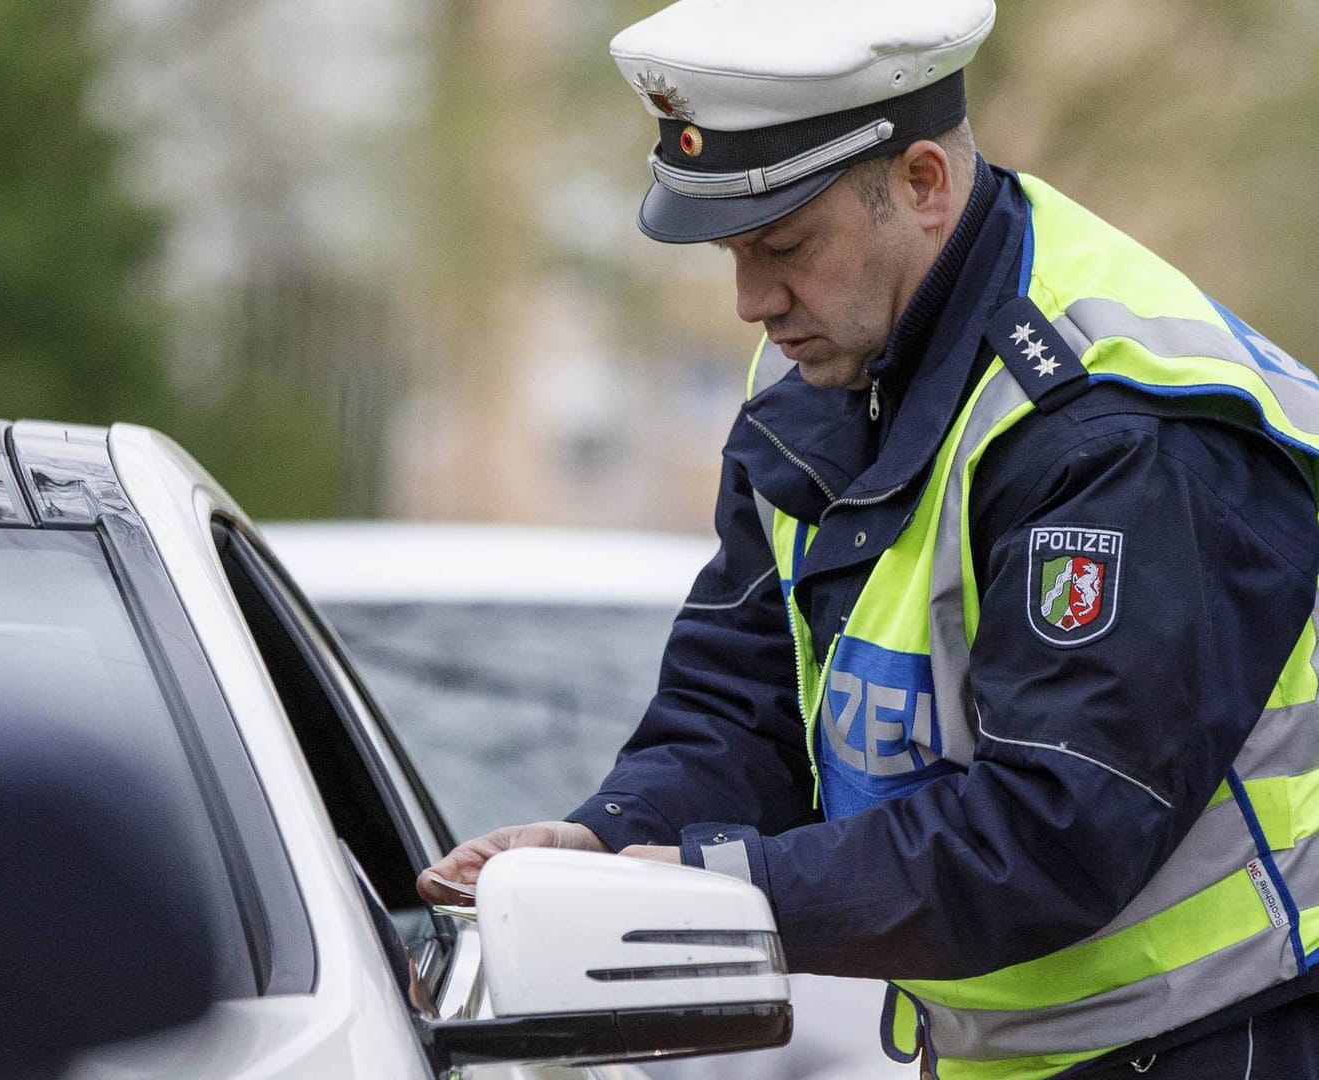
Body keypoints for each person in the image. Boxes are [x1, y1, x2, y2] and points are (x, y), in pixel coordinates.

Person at [416, 1, 1319, 1076]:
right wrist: (607, 842)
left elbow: (1055, 832)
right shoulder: (829, 359)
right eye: (730, 253)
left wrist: (716, 887)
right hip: (1016, 1049)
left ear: (925, 185)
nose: (753, 301)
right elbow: (743, 707)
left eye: (784, 245)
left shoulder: (1118, 428)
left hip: (1223, 1039)